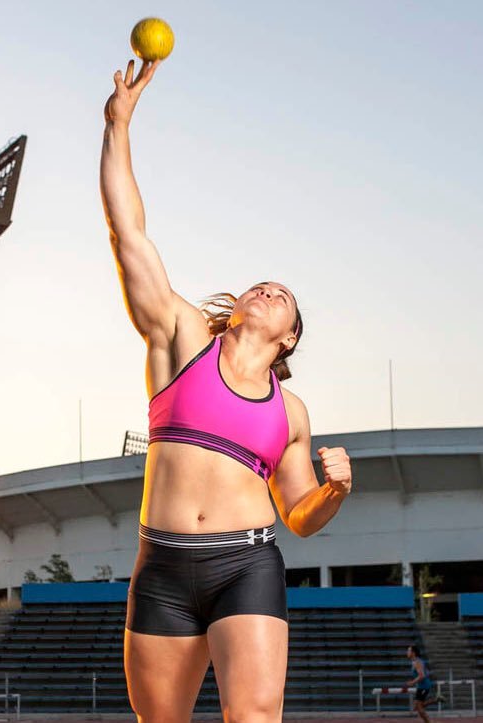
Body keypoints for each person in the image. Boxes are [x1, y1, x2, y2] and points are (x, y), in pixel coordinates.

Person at [100, 58, 353, 723]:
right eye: (260, 284)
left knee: (255, 717)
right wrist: (118, 126)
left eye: (283, 297)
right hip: (162, 564)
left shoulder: (289, 411)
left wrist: (335, 491)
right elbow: (128, 235)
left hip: (246, 564)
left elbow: (299, 516)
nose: (267, 289)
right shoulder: (182, 338)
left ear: (290, 337)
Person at [406, 644, 443, 722]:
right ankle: (435, 699)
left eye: (408, 650)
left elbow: (422, 675)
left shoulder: (417, 662)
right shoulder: (415, 662)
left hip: (424, 686)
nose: (407, 652)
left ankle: (430, 721)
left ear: (413, 653)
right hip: (421, 686)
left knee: (419, 707)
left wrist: (412, 682)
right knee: (418, 706)